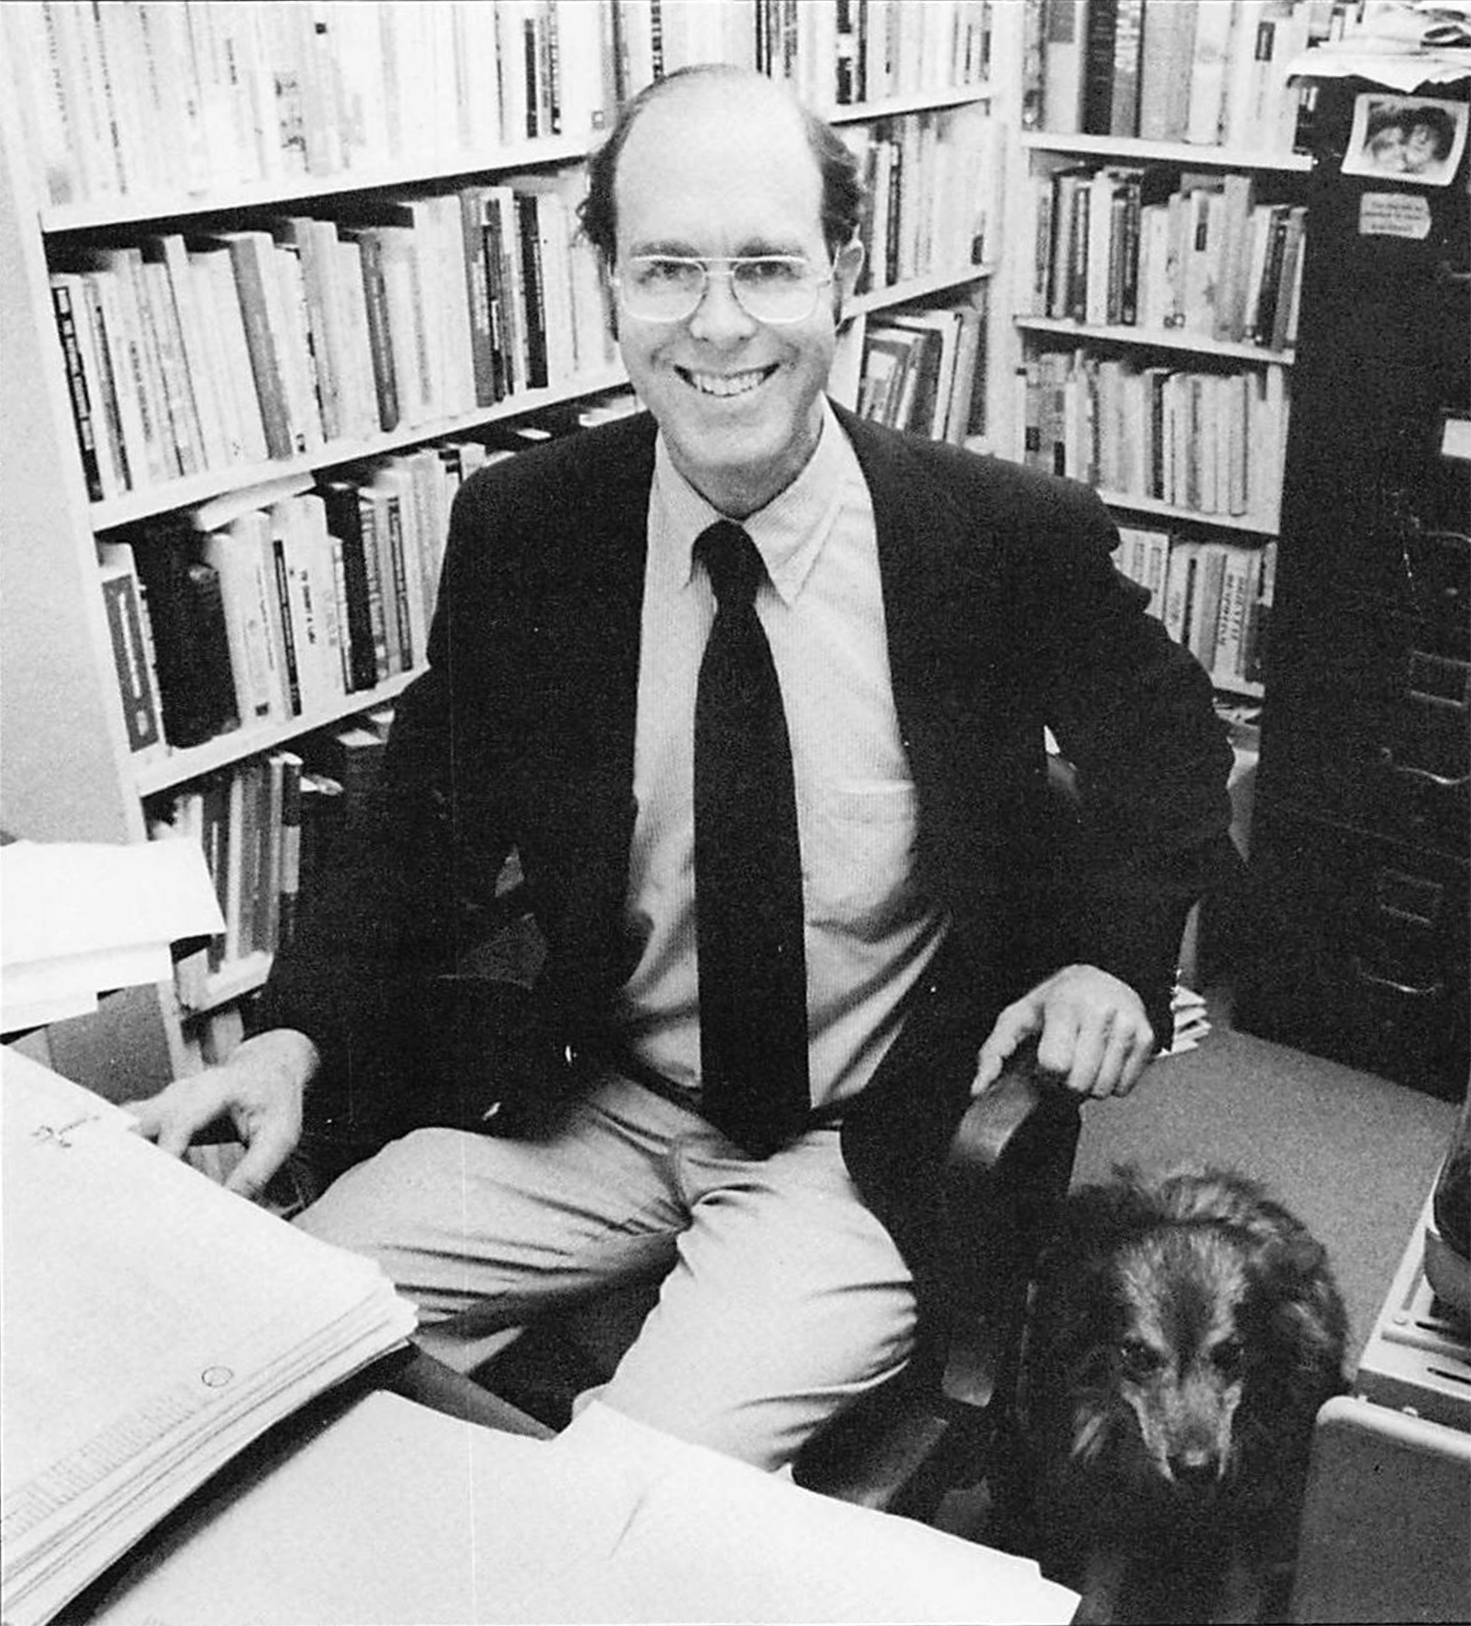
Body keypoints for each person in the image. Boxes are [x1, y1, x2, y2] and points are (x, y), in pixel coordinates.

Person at [130, 66, 1235, 1472]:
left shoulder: (995, 540)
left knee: (635, 1487)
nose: (718, 326)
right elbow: (420, 817)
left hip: (859, 1142)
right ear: (606, 284)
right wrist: (290, 1034)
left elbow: (1172, 743)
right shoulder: (530, 531)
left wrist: (1112, 964)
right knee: (260, 1329)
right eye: (667, 269)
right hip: (598, 1101)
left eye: (766, 266)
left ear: (846, 268)